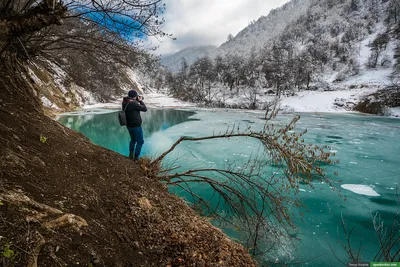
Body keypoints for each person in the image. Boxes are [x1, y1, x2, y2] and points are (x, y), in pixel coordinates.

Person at [122, 90, 147, 161]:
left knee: (133, 140)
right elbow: (145, 109)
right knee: (140, 141)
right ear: (134, 96)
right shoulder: (133, 103)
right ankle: (136, 157)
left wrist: (136, 100)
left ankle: (130, 155)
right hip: (136, 126)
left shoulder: (125, 102)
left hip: (129, 126)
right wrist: (141, 101)